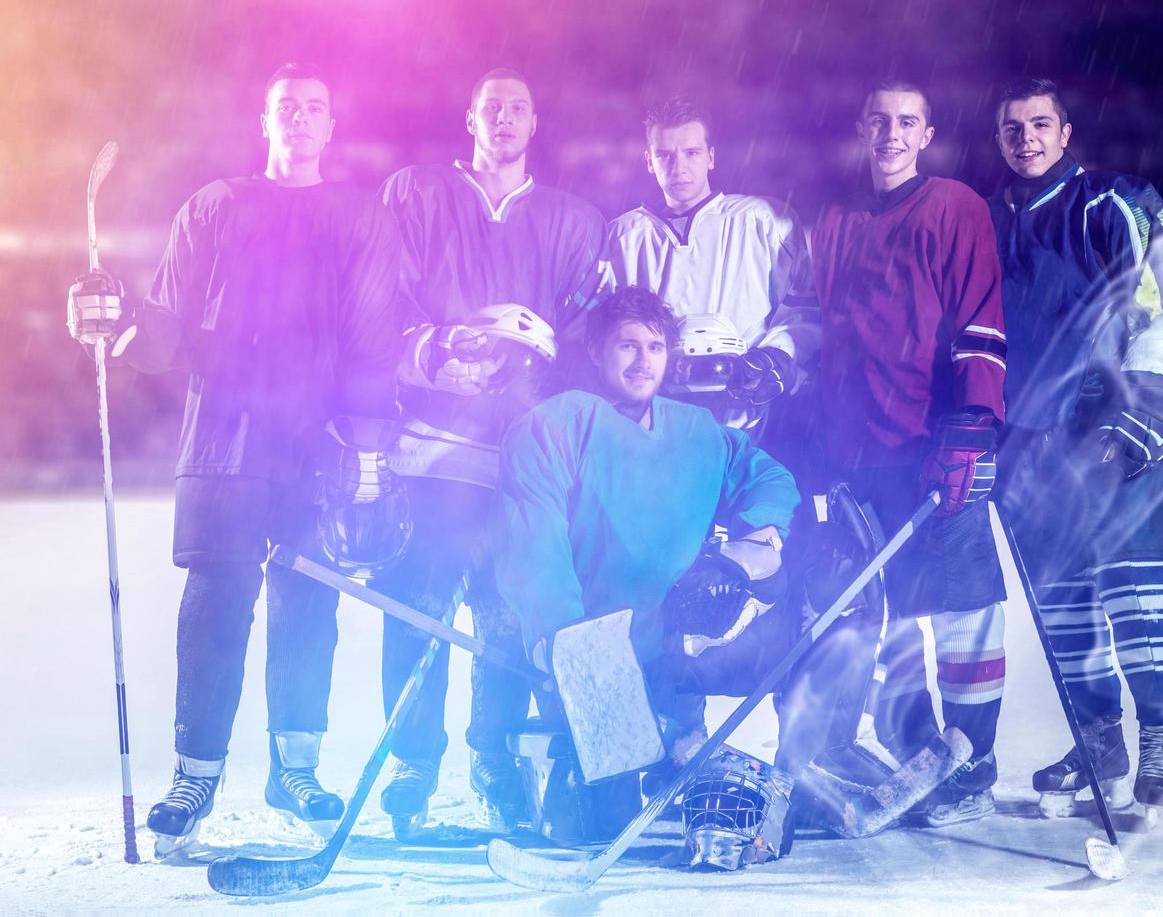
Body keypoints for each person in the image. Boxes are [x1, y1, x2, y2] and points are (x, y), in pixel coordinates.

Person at [65, 63, 405, 853]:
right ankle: (197, 771)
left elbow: (372, 336)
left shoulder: (359, 214)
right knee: (214, 611)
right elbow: (165, 331)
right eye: (287, 107)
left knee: (307, 610)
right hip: (225, 441)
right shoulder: (215, 206)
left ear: (331, 124)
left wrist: (367, 446)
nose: (300, 119)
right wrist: (114, 316)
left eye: (315, 107)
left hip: (318, 447)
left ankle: (295, 767)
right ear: (265, 121)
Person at [494, 287, 956, 858]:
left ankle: (794, 775)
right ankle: (616, 781)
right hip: (596, 648)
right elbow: (531, 544)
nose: (643, 362)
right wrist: (564, 641)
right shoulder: (553, 425)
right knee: (599, 821)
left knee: (821, 592)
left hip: (684, 636)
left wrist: (746, 549)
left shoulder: (696, 430)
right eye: (627, 346)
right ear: (595, 351)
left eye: (656, 347)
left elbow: (772, 482)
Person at [372, 68, 609, 835]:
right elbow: (382, 304)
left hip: (521, 456)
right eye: (490, 106)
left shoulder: (574, 220)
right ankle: (412, 757)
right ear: (467, 117)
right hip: (435, 451)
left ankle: (493, 757)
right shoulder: (414, 193)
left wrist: (544, 382)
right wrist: (436, 349)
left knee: (504, 619)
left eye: (517, 106)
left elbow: (585, 337)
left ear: (534, 123)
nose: (503, 118)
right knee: (416, 606)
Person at [989, 76, 1163, 815]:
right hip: (1033, 445)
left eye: (1039, 124)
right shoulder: (987, 217)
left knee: (1133, 586)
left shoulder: (1113, 200)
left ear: (1064, 133)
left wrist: (1141, 407)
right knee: (1063, 602)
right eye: (1011, 127)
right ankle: (1098, 735)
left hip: (1111, 426)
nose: (1026, 139)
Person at [809, 79, 1009, 826]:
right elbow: (828, 332)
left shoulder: (954, 205)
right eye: (880, 120)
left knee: (963, 607)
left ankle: (975, 764)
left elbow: (978, 317)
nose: (891, 133)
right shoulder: (833, 215)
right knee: (881, 616)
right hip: (858, 453)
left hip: (934, 444)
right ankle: (925, 751)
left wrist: (971, 423)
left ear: (925, 134)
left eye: (907, 122)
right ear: (862, 126)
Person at [604, 97, 818, 440]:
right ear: (648, 160)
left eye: (691, 152)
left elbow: (804, 311)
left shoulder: (763, 220)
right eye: (665, 155)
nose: (679, 168)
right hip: (657, 422)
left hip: (748, 422)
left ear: (711, 156)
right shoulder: (622, 237)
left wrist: (774, 358)